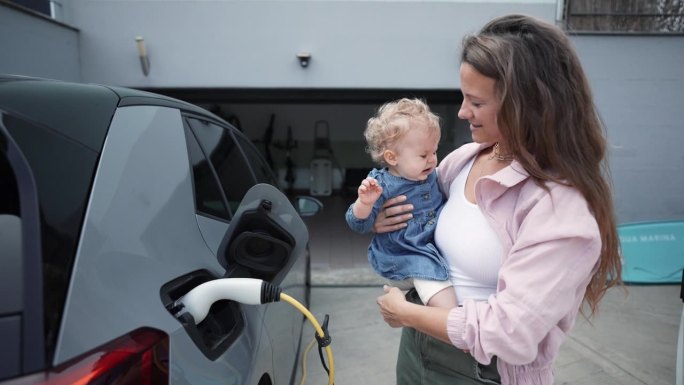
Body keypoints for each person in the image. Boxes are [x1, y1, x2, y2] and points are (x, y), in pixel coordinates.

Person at [374, 14, 622, 385]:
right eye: (463, 97)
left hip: (483, 370)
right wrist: (383, 218)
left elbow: (512, 334)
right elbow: (417, 214)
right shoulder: (463, 160)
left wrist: (407, 314)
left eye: (475, 101)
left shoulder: (561, 208)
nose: (461, 112)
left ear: (529, 104)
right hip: (417, 348)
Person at [345, 98, 457, 308]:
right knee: (435, 282)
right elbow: (357, 223)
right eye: (423, 155)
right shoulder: (381, 185)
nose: (432, 160)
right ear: (392, 158)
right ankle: (450, 317)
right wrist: (365, 203)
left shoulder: (431, 174)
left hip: (428, 249)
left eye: (434, 151)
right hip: (405, 255)